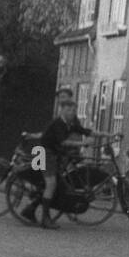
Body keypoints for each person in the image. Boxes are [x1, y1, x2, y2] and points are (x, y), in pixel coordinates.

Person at [30, 92, 94, 229]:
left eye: (73, 110)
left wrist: (110, 135)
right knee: (51, 184)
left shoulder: (69, 123)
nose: (72, 112)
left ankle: (30, 210)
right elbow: (63, 142)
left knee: (57, 183)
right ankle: (45, 219)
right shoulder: (58, 123)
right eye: (69, 110)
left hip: (53, 154)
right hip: (44, 153)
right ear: (62, 110)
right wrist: (82, 144)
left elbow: (87, 131)